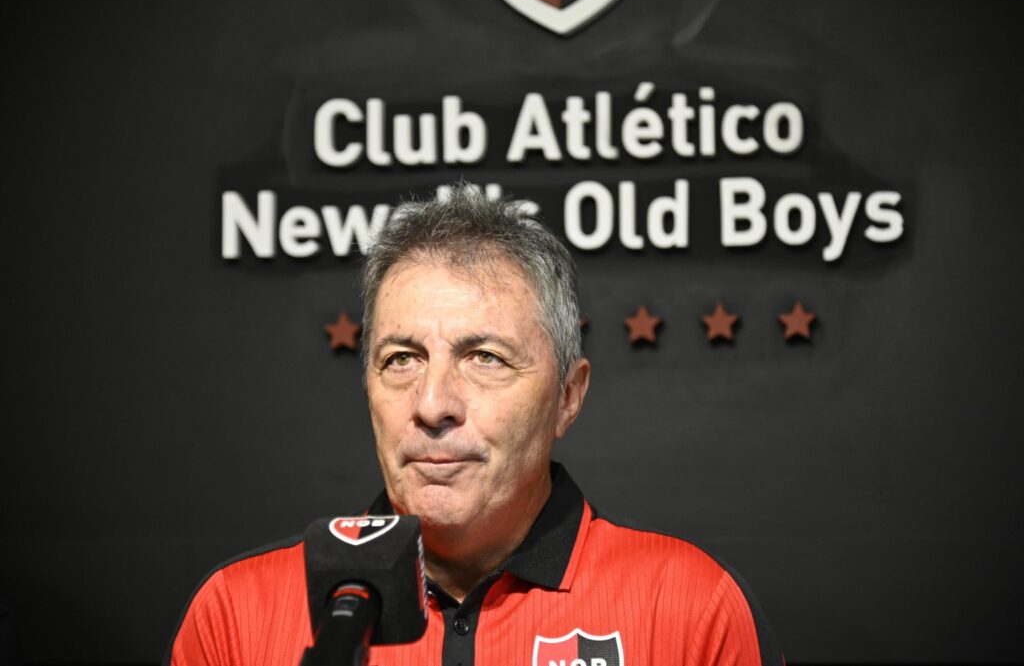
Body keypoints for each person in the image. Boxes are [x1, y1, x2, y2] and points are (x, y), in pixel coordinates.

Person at [165, 184, 783, 666]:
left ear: (568, 397)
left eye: (485, 358)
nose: (433, 404)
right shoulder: (235, 615)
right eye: (401, 359)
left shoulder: (692, 610)